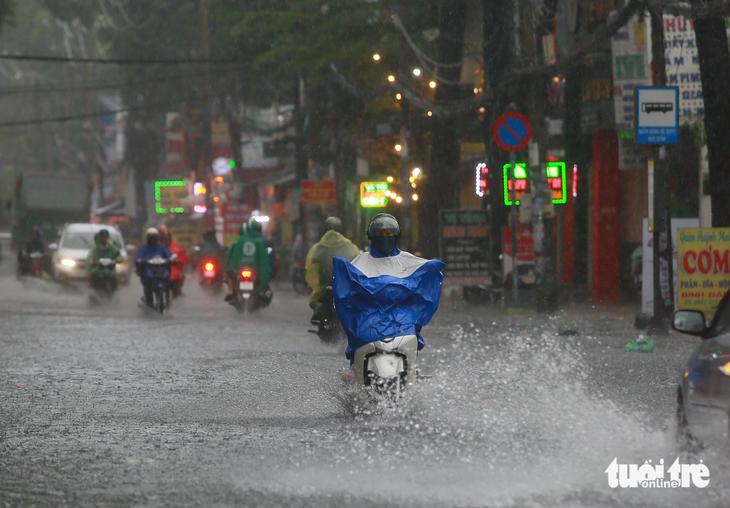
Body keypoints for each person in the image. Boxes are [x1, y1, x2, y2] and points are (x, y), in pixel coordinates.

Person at [332, 213, 444, 382]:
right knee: (358, 338)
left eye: (388, 234)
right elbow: (347, 293)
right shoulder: (359, 263)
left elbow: (427, 284)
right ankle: (356, 365)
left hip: (402, 320)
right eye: (380, 234)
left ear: (396, 235)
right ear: (372, 236)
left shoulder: (409, 261)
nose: (384, 238)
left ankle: (413, 368)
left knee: (413, 337)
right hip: (368, 319)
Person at [305, 217, 360, 321]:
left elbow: (311, 265)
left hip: (324, 285)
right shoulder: (351, 247)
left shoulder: (318, 248)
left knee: (313, 301)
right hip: (344, 284)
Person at [224, 218, 271, 304]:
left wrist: (230, 269)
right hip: (254, 270)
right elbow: (263, 261)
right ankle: (260, 292)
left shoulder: (240, 241)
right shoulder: (259, 242)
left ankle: (231, 292)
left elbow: (232, 258)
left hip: (240, 269)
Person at [135, 228, 173, 307]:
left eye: (154, 237)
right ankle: (147, 299)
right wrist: (139, 260)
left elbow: (169, 255)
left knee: (169, 282)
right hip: (150, 271)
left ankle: (168, 298)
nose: (152, 239)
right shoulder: (144, 248)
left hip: (161, 270)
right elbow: (139, 257)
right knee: (147, 283)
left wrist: (172, 258)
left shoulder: (162, 247)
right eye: (151, 237)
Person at [158, 225, 189, 297]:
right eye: (164, 237)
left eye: (167, 237)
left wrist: (177, 260)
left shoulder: (175, 247)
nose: (166, 239)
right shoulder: (155, 246)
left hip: (173, 272)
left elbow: (182, 256)